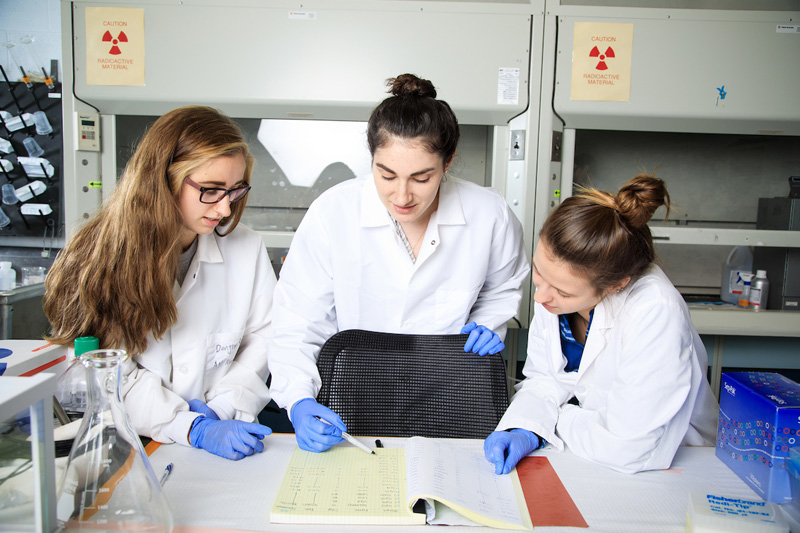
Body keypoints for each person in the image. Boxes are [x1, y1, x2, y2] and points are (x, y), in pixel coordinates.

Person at [268, 74, 530, 452]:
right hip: (353, 397)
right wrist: (299, 400)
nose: (402, 195)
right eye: (386, 174)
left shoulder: (489, 214)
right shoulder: (333, 212)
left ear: (448, 162)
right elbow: (299, 320)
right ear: (371, 159)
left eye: (422, 178)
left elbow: (504, 286)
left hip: (450, 393)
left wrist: (487, 324)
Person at [44, 106, 275, 461]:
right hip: (128, 440)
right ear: (163, 179)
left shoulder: (246, 247)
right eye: (212, 190)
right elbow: (105, 367)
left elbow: (263, 337)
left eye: (235, 190)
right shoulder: (101, 255)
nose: (225, 209)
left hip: (224, 432)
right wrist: (187, 425)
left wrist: (225, 405)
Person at [484, 174, 719, 474]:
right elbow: (544, 378)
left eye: (564, 291)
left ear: (615, 286)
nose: (541, 296)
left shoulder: (655, 310)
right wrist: (525, 427)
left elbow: (629, 447)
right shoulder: (556, 291)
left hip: (679, 469)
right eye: (538, 273)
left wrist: (552, 420)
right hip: (589, 455)